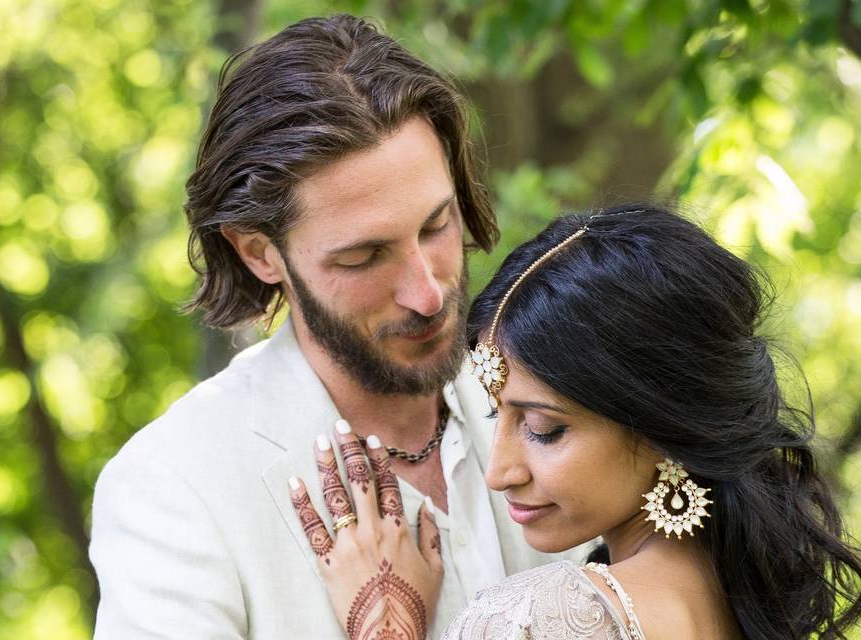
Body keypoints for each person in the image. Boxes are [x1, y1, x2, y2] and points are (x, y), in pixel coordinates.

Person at [88, 15, 584, 639]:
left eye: (437, 225)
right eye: (364, 256)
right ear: (258, 253)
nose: (428, 292)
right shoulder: (176, 488)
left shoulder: (567, 389)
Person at [291, 205, 861, 639]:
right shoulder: (751, 607)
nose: (499, 471)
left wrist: (383, 627)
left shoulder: (546, 620)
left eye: (544, 430)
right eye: (497, 414)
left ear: (665, 425)